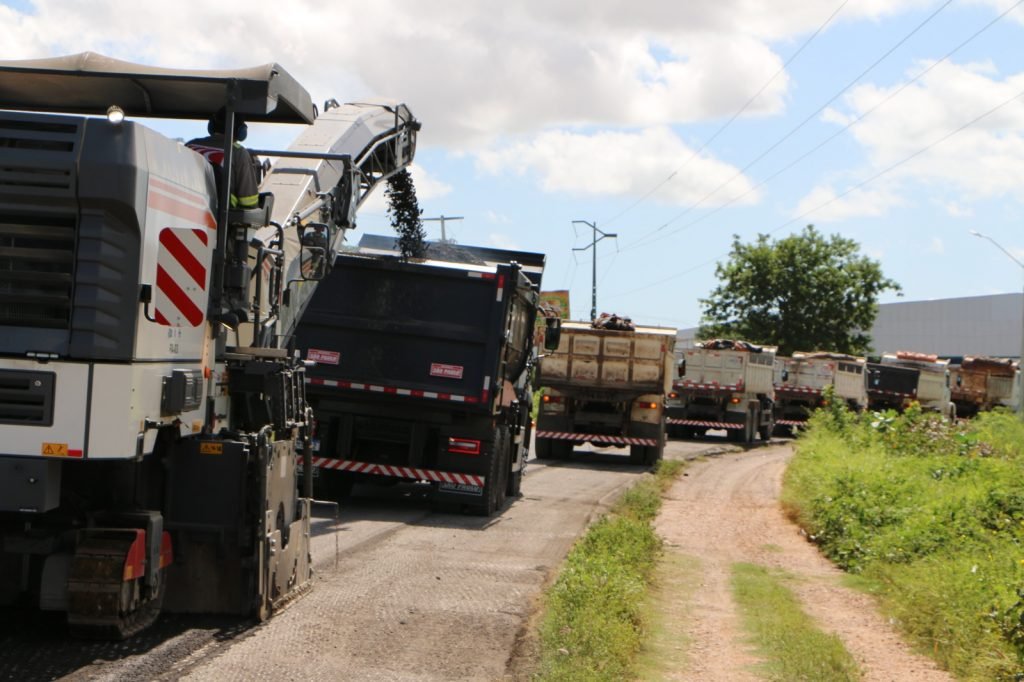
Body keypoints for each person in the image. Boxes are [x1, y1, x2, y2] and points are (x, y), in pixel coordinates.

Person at [186, 108, 262, 209]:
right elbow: (249, 202)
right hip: (221, 219)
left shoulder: (191, 145)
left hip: (187, 209)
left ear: (211, 126)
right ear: (241, 131)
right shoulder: (238, 152)